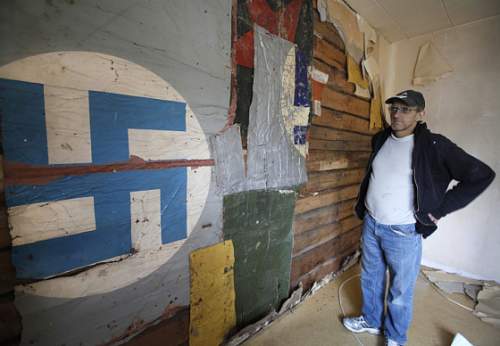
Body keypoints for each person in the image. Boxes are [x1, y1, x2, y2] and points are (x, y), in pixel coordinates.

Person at [342, 90, 495, 346]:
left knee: (400, 291)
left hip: (402, 232)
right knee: (370, 277)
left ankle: (395, 337)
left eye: (406, 109)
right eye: (394, 108)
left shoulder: (435, 146)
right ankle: (371, 320)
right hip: (372, 223)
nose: (397, 114)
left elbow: (481, 175)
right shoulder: (380, 139)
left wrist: (437, 210)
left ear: (421, 114)